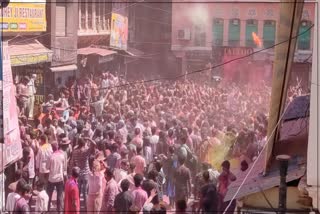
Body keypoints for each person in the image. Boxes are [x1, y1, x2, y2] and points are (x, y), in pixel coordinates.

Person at [70, 137, 96, 211]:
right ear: (84, 144)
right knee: (85, 192)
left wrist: (71, 173)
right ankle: (86, 208)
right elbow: (94, 144)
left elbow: (72, 163)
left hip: (78, 174)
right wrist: (88, 138)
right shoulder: (86, 151)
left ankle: (76, 207)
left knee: (77, 191)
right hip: (86, 174)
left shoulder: (75, 151)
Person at [47, 141, 66, 213]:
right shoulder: (62, 155)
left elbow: (47, 167)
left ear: (52, 148)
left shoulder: (50, 156)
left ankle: (47, 210)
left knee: (49, 195)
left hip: (51, 178)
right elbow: (64, 167)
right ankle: (59, 211)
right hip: (60, 178)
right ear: (57, 147)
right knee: (59, 196)